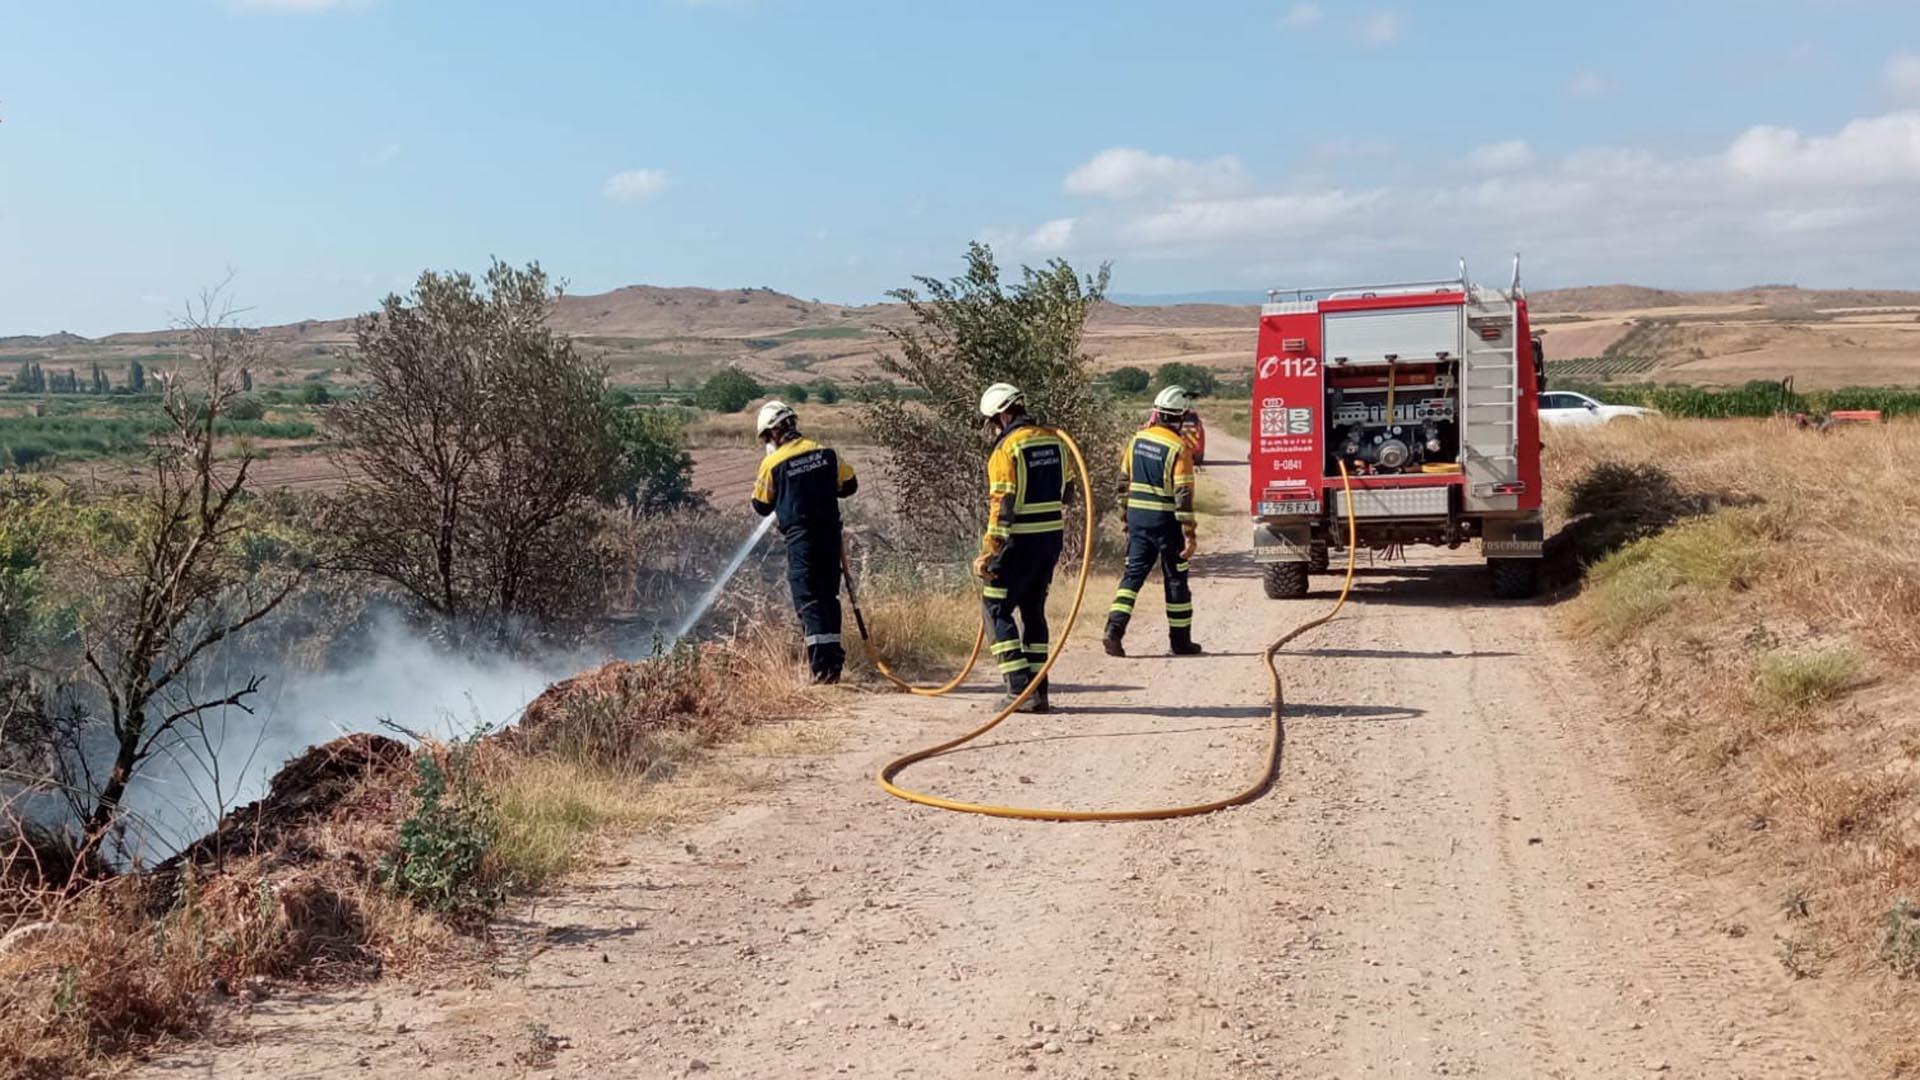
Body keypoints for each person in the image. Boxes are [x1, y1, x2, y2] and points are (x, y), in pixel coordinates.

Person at [974, 382, 1068, 713]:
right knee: (1033, 611)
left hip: (1016, 544)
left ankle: (1019, 689)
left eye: (991, 421)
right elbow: (1068, 492)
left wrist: (989, 550)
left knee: (995, 608)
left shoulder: (1006, 450)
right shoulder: (1055, 441)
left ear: (1001, 414)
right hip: (1050, 541)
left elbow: (1003, 505)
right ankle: (1039, 691)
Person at [750, 400, 858, 683]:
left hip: (802, 544)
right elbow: (849, 485)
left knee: (809, 603)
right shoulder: (825, 452)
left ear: (773, 433)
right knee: (828, 599)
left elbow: (760, 505)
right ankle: (833, 668)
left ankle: (822, 674)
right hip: (830, 541)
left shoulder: (772, 463)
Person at [1104, 385, 1201, 658]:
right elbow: (1182, 494)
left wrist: (1126, 516)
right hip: (1166, 523)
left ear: (1157, 413)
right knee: (1176, 578)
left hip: (1138, 519)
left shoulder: (1137, 439)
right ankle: (1180, 642)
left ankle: (1113, 631)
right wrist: (1190, 534)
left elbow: (1123, 482)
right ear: (1180, 417)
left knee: (1132, 577)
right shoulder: (1178, 447)